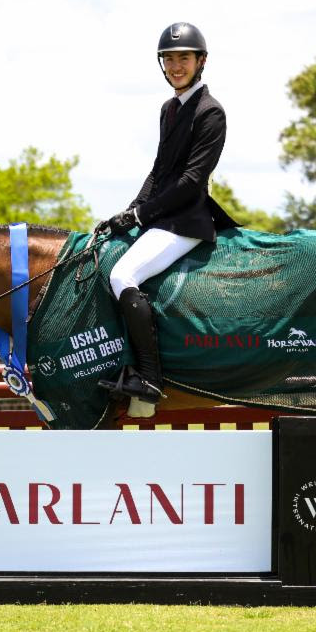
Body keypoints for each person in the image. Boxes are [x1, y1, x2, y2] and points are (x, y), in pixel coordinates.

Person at [97, 22, 240, 404]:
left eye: (184, 59)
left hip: (187, 221)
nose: (176, 66)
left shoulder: (211, 112)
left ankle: (150, 378)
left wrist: (141, 215)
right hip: (163, 216)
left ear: (201, 61)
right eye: (169, 59)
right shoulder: (169, 109)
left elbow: (191, 181)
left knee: (123, 274)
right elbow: (159, 171)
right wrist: (128, 212)